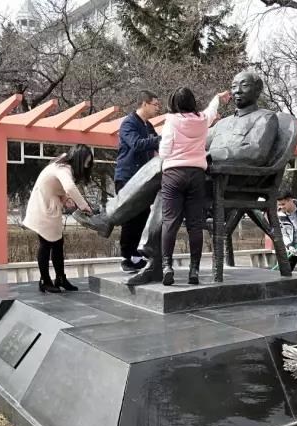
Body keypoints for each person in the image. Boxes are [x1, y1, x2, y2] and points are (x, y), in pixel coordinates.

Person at [74, 70, 279, 285]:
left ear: (258, 89)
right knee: (164, 178)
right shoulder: (224, 122)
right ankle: (155, 262)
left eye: (243, 85)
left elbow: (255, 152)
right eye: (234, 85)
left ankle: (110, 220)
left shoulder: (265, 118)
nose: (236, 90)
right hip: (201, 175)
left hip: (232, 180)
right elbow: (201, 134)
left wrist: (205, 155)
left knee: (163, 168)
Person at [159, 87, 231, 286]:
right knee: (195, 225)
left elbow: (164, 150)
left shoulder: (171, 121)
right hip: (197, 175)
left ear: (175, 103)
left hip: (173, 175)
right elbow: (211, 110)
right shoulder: (202, 121)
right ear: (192, 102)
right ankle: (194, 270)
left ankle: (167, 266)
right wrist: (217, 97)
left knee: (170, 222)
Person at [23, 144, 93, 293]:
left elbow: (57, 186)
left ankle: (60, 278)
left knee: (57, 243)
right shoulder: (64, 169)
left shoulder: (62, 162)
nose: (87, 165)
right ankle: (45, 280)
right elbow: (69, 187)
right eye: (86, 162)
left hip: (49, 203)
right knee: (46, 243)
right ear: (79, 159)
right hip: (43, 205)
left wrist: (66, 199)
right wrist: (83, 205)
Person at [114, 90, 161, 273]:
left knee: (141, 216)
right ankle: (126, 258)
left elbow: (156, 145)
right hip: (127, 178)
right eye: (155, 104)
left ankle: (135, 256)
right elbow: (137, 144)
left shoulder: (148, 126)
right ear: (144, 103)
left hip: (143, 179)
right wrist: (161, 139)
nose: (157, 108)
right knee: (129, 217)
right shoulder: (128, 123)